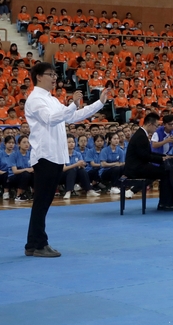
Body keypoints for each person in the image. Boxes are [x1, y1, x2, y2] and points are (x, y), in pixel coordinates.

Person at [24, 62, 109, 258]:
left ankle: (33, 243)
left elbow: (72, 117)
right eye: (50, 74)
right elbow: (50, 119)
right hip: (45, 155)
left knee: (44, 201)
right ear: (38, 76)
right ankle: (38, 243)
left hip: (54, 156)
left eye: (55, 74)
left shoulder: (51, 99)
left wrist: (100, 103)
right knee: (41, 201)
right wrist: (71, 104)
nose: (54, 78)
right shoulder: (35, 99)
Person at [125, 113, 173, 209]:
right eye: (156, 126)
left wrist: (164, 156)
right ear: (150, 124)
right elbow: (145, 156)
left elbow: (147, 154)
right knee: (165, 172)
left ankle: (168, 201)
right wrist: (162, 158)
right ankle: (165, 202)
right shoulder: (141, 136)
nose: (156, 128)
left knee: (164, 169)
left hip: (139, 165)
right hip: (135, 168)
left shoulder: (141, 134)